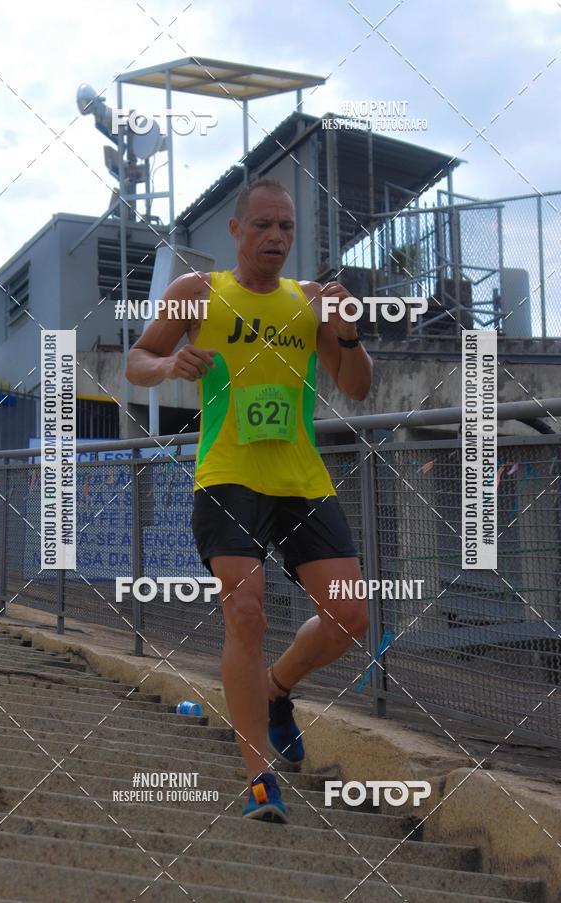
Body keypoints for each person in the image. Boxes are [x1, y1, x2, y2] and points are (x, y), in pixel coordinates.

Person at [126, 177, 373, 823]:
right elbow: (138, 357)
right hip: (229, 472)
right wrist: (167, 367)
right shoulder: (197, 294)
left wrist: (347, 334)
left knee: (350, 617)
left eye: (285, 228)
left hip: (301, 477)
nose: (275, 237)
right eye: (262, 225)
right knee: (246, 610)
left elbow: (357, 388)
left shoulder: (313, 301)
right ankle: (259, 779)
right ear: (234, 231)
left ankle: (276, 690)